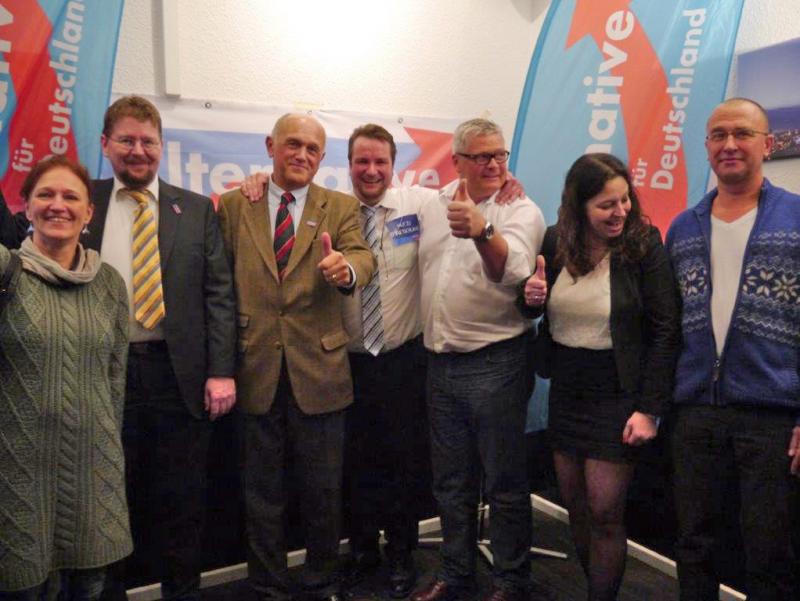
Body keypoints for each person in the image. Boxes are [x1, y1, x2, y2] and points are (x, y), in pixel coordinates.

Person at [6, 95, 238, 600]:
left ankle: (182, 592)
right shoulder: (77, 198)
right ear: (106, 145)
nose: (138, 151)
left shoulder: (195, 208)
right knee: (102, 501)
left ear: (162, 146)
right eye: (127, 140)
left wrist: (222, 371)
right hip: (95, 375)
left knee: (182, 501)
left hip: (178, 378)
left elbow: (219, 293)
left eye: (148, 141)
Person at [218, 113, 375, 601]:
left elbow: (364, 257)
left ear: (322, 157)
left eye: (312, 148)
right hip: (254, 367)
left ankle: (322, 579)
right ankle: (266, 584)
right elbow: (217, 284)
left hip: (321, 370)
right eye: (292, 144)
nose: (302, 155)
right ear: (270, 146)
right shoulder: (232, 205)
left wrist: (345, 268)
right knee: (260, 493)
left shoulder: (341, 207)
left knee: (323, 490)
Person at [520, 153, 680, 601]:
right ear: (579, 206)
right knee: (575, 509)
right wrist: (529, 299)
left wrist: (650, 409)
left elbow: (666, 331)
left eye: (625, 200)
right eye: (606, 205)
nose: (620, 212)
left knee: (605, 511)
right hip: (568, 390)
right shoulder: (555, 242)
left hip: (618, 394)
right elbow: (533, 305)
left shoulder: (643, 245)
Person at [666, 97, 800, 600]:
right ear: (706, 147)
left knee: (770, 552)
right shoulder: (683, 227)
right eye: (718, 135)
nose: (729, 144)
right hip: (697, 411)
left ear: (767, 144)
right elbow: (669, 326)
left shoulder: (796, 218)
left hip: (771, 414)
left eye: (742, 134)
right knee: (695, 545)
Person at [411, 118, 545, 601]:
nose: (494, 164)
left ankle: (510, 582)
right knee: (450, 484)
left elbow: (510, 272)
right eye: (482, 156)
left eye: (500, 155)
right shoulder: (432, 202)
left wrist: (483, 229)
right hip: (439, 365)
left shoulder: (521, 210)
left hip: (497, 363)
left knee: (505, 484)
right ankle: (456, 575)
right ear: (458, 161)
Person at [0, 156, 131, 600]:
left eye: (71, 196)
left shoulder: (110, 284)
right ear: (27, 206)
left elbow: (116, 381)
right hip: (15, 474)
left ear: (89, 212)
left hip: (92, 472)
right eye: (46, 195)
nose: (59, 205)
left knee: (89, 586)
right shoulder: (5, 273)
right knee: (23, 587)